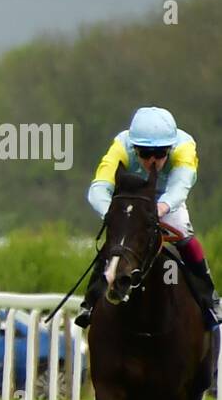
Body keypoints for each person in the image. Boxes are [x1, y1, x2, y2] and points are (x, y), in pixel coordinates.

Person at [75, 106, 222, 329]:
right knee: (116, 242)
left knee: (184, 235)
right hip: (131, 202)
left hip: (166, 201)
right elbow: (98, 188)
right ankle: (90, 301)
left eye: (161, 153)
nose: (152, 160)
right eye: (144, 153)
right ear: (134, 149)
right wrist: (116, 216)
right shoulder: (121, 146)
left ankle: (210, 297)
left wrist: (160, 208)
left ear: (170, 148)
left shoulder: (184, 147)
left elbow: (180, 187)